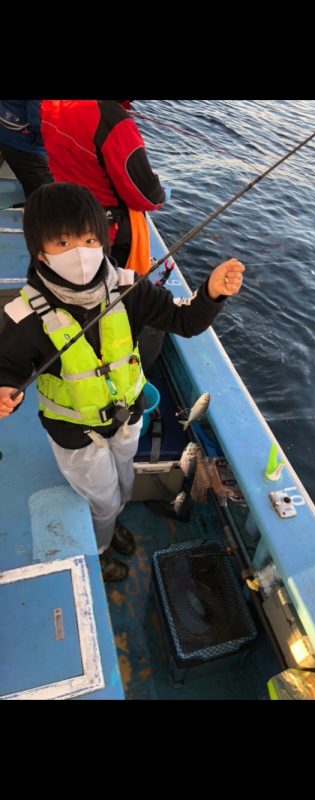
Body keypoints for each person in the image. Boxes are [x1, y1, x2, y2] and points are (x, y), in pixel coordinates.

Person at [0, 182, 244, 582]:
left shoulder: (128, 288)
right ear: (39, 252)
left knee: (124, 482)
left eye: (89, 238)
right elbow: (6, 367)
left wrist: (211, 294)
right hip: (75, 432)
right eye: (63, 242)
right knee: (100, 497)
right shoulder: (25, 313)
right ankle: (99, 549)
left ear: (103, 238)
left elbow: (183, 320)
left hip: (127, 416)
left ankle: (111, 526)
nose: (80, 251)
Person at [40, 99, 169, 268]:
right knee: (109, 285)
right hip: (104, 230)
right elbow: (144, 196)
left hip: (66, 210)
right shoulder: (113, 120)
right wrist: (162, 194)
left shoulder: (52, 103)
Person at [0, 100, 53, 198]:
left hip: (8, 134)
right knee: (44, 193)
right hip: (25, 147)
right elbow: (38, 124)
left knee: (33, 186)